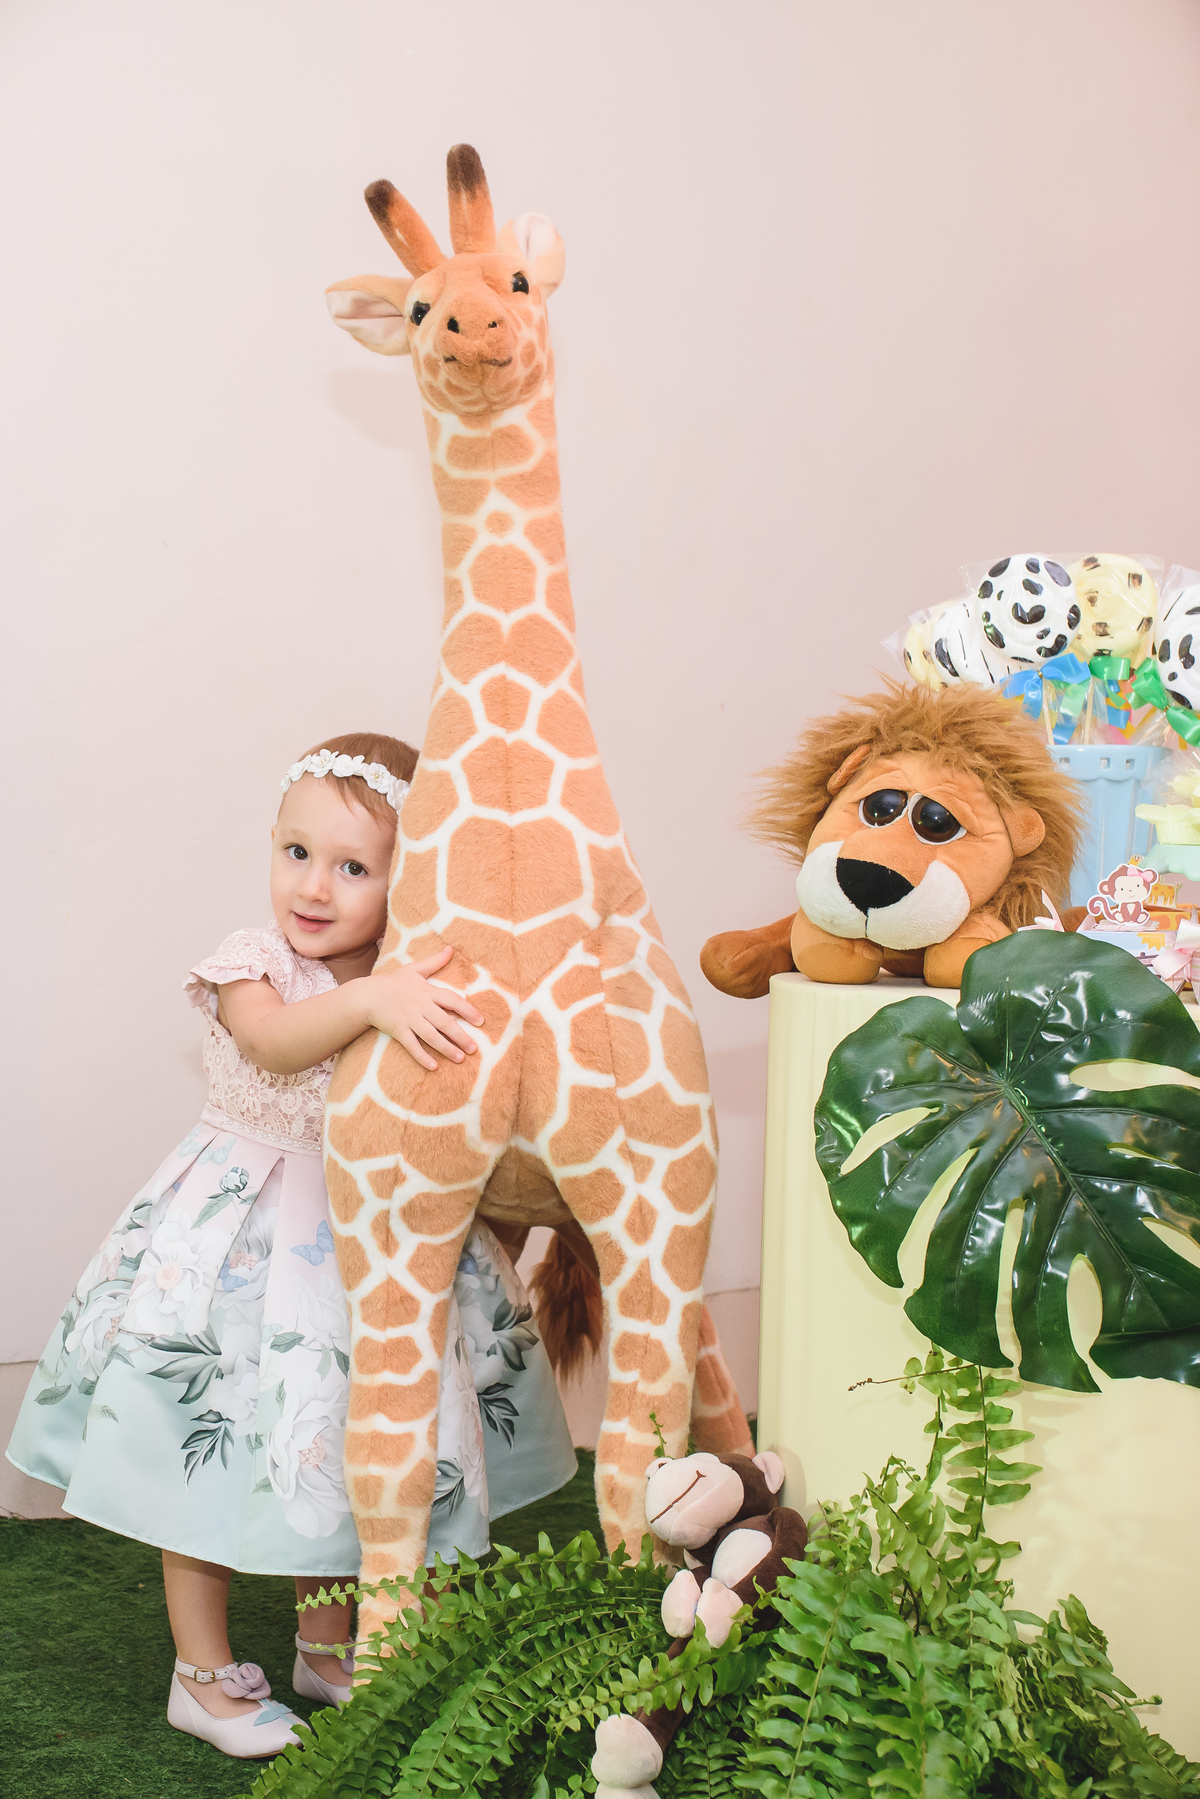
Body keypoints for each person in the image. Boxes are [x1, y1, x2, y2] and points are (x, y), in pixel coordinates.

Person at [6, 733, 577, 1759]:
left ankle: (325, 1642)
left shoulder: (411, 974)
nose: (313, 886)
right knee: (209, 1454)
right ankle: (200, 1673)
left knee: (349, 1443)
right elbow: (273, 1042)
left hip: (371, 1244)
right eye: (296, 851)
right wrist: (370, 1001)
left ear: (410, 877)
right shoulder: (254, 963)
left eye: (353, 866)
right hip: (242, 1244)